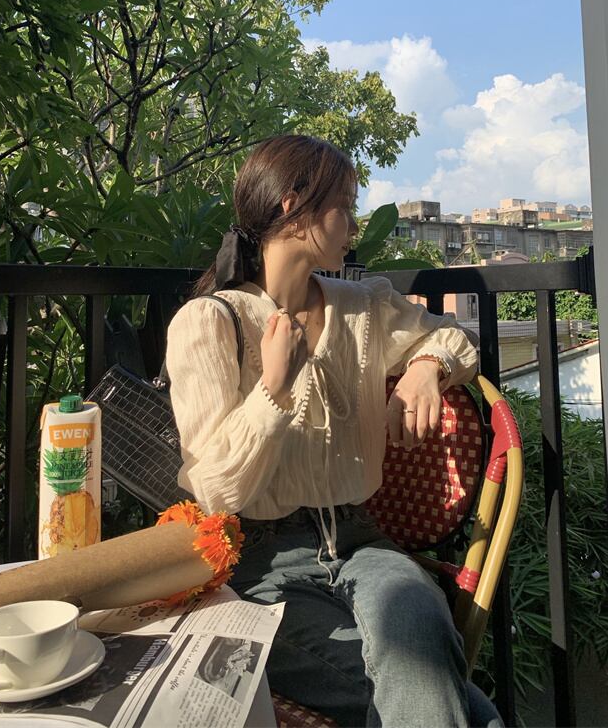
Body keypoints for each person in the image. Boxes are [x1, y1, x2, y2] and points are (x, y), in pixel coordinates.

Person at [166, 134, 502, 728]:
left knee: (419, 622)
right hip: (260, 566)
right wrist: (272, 390)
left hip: (364, 543)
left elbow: (454, 336)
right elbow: (215, 489)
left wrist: (427, 367)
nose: (354, 225)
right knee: (444, 694)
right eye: (344, 206)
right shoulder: (209, 322)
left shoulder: (361, 306)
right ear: (294, 207)